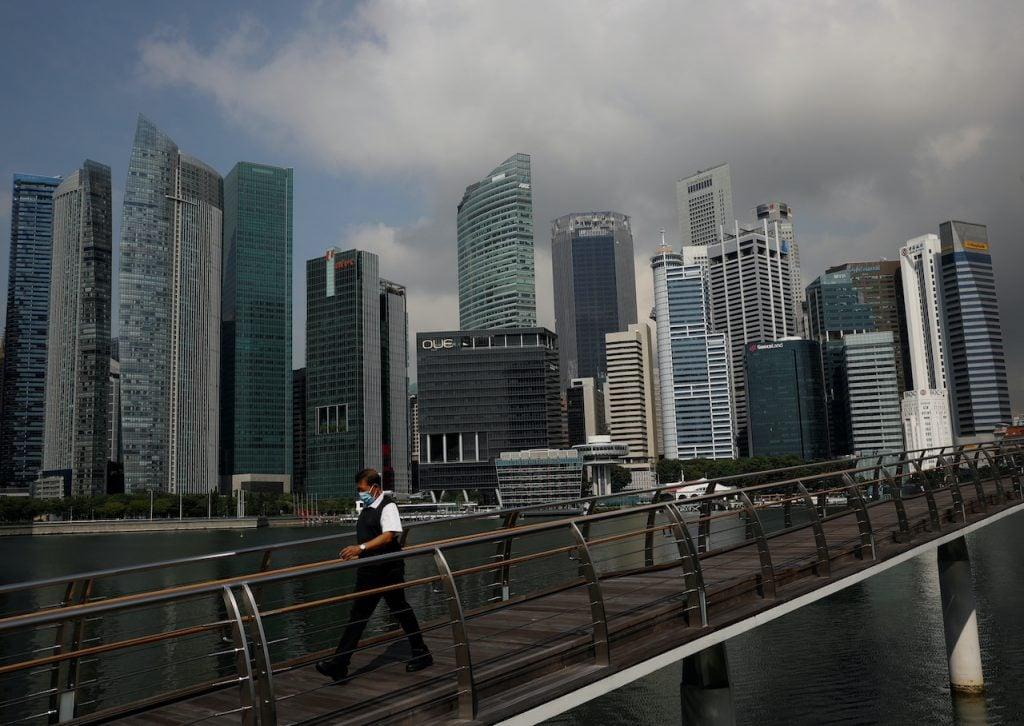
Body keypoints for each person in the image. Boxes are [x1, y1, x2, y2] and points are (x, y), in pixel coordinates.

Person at [316, 468, 433, 682]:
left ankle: (421, 652)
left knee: (399, 609)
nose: (360, 493)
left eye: (362, 489)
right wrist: (361, 553)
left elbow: (389, 536)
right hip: (369, 568)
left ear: (374, 487)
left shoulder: (388, 506)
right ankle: (340, 664)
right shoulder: (368, 508)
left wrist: (360, 548)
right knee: (361, 614)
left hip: (388, 568)